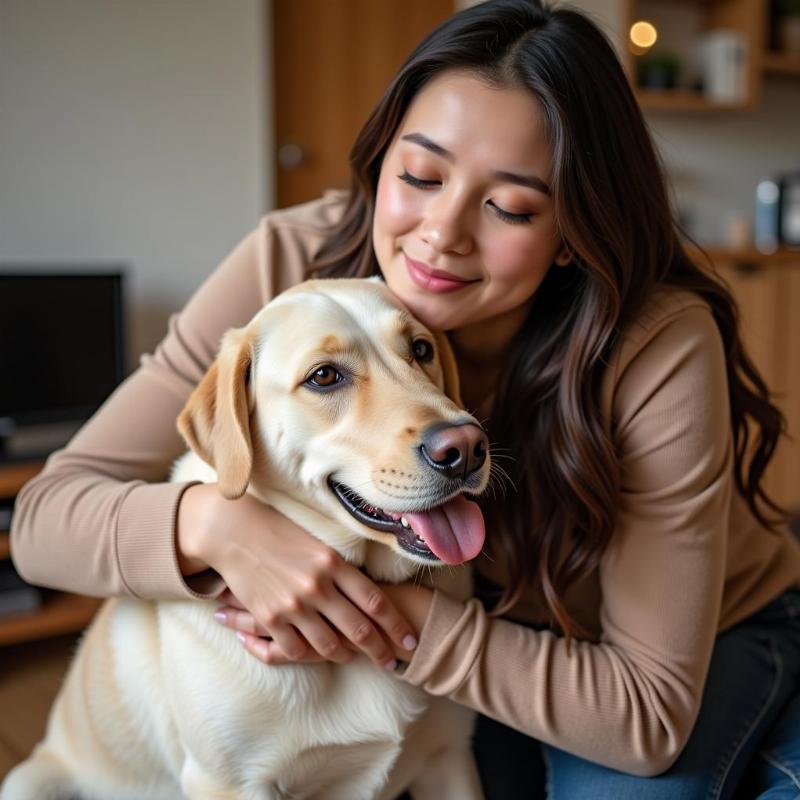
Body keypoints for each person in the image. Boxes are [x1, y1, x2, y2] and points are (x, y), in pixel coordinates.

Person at [11, 0, 800, 796]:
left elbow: (644, 716)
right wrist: (217, 525)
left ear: (573, 228)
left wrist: (382, 619)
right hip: (490, 651)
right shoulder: (293, 262)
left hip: (658, 656)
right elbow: (45, 522)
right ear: (381, 160)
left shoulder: (654, 341)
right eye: (419, 175)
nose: (441, 234)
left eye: (512, 207)